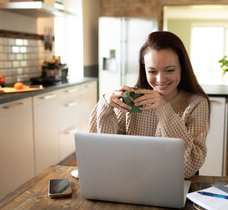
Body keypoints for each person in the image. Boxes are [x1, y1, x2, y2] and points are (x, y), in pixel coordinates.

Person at [89, 31, 210, 178]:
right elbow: (103, 154)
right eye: (152, 71)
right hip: (130, 181)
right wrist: (105, 104)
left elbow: (188, 167)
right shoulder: (132, 101)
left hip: (170, 184)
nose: (160, 79)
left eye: (170, 70)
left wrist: (164, 109)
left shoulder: (196, 104)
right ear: (144, 70)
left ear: (182, 68)